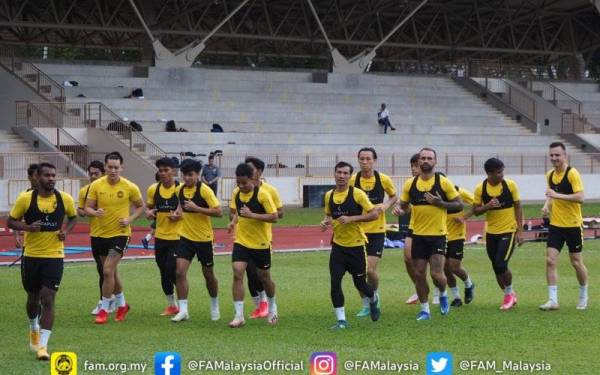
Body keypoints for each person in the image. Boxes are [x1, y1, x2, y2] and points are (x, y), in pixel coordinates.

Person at [7, 162, 77, 360]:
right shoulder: (25, 198)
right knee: (33, 298)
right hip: (31, 256)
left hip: (54, 256)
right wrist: (27, 228)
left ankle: (43, 347)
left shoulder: (65, 199)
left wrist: (66, 231)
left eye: (54, 175)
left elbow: (73, 218)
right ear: (37, 178)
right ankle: (33, 326)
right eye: (47, 175)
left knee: (48, 298)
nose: (51, 178)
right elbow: (10, 221)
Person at [397, 148, 462, 320]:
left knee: (436, 275)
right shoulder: (410, 184)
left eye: (429, 158)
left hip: (438, 235)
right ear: (418, 162)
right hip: (418, 235)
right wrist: (399, 209)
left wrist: (441, 203)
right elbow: (403, 205)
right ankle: (425, 309)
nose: (426, 161)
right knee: (419, 274)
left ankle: (442, 294)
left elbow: (459, 205)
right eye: (423, 158)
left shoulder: (443, 182)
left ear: (435, 161)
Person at [84, 151, 144, 324]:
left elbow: (140, 207)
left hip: (121, 234)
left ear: (121, 168)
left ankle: (103, 309)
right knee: (112, 272)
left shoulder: (129, 186)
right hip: (100, 234)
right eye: (110, 167)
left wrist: (130, 219)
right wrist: (95, 212)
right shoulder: (96, 185)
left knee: (108, 271)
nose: (113, 170)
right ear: (105, 167)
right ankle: (122, 305)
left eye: (116, 167)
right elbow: (87, 208)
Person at [321, 161, 382, 330]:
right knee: (335, 283)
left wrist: (352, 219)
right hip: (338, 247)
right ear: (334, 174)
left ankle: (373, 299)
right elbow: (328, 215)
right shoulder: (329, 195)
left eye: (345, 173)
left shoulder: (358, 194)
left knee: (360, 284)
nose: (341, 176)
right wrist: (325, 222)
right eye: (339, 172)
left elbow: (374, 214)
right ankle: (341, 321)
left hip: (356, 246)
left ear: (350, 176)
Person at [230, 156, 284, 320]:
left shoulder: (264, 194)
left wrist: (252, 215)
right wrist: (233, 222)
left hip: (261, 243)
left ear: (254, 177)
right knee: (238, 273)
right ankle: (239, 316)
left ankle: (272, 306)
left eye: (244, 183)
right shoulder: (236, 193)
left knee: (264, 277)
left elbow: (275, 217)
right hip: (242, 241)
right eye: (238, 183)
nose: (241, 186)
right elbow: (238, 211)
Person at [171, 159, 223, 322]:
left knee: (208, 274)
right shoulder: (179, 189)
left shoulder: (205, 191)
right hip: (185, 237)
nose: (186, 178)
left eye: (190, 175)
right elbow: (181, 208)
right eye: (184, 175)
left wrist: (197, 208)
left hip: (204, 239)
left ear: (198, 175)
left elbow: (219, 212)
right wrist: (177, 215)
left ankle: (214, 304)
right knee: (179, 272)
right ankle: (183, 310)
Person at [540, 142, 588, 311]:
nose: (554, 158)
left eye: (557, 155)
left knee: (576, 262)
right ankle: (553, 300)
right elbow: (551, 194)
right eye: (552, 155)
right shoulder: (550, 175)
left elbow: (580, 197)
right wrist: (547, 205)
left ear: (564, 155)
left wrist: (556, 195)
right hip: (556, 225)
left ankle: (583, 294)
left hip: (573, 225)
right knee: (550, 260)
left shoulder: (572, 173)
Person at [349, 148, 397, 317]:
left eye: (368, 159)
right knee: (359, 272)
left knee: (370, 270)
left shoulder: (383, 179)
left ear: (374, 161)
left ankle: (374, 296)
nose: (365, 162)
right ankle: (366, 305)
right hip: (357, 231)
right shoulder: (352, 180)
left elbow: (393, 196)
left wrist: (385, 205)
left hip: (376, 231)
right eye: (362, 159)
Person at [473, 157, 523, 311]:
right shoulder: (480, 188)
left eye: (502, 171)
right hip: (491, 233)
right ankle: (510, 294)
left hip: (508, 230)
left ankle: (508, 295)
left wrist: (519, 231)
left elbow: (518, 208)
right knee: (496, 267)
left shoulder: (510, 185)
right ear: (490, 173)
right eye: (499, 172)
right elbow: (475, 211)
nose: (502, 175)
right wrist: (487, 206)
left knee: (501, 264)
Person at [146, 158, 182, 316]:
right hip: (160, 236)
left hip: (178, 236)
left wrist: (179, 216)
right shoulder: (153, 189)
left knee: (171, 270)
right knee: (163, 271)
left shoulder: (181, 189)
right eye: (160, 170)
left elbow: (189, 211)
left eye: (166, 170)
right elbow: (149, 209)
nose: (163, 173)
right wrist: (149, 213)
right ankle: (171, 305)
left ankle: (183, 304)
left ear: (173, 171)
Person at [77, 160, 113, 315]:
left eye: (96, 173)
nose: (92, 176)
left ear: (102, 173)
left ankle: (104, 302)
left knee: (107, 270)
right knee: (102, 269)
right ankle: (113, 300)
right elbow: (79, 210)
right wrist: (88, 212)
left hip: (113, 234)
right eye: (90, 173)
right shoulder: (85, 190)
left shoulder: (110, 188)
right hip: (96, 234)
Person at [393, 154, 420, 305]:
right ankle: (419, 288)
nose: (413, 169)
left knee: (434, 263)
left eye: (415, 166)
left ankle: (438, 292)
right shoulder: (409, 184)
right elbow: (407, 207)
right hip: (414, 227)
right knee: (408, 259)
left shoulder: (436, 182)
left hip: (435, 228)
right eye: (412, 167)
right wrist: (401, 211)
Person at [444, 183, 475, 307]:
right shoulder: (434, 196)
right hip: (441, 235)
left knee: (454, 266)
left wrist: (464, 217)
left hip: (457, 235)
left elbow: (477, 204)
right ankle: (456, 298)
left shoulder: (459, 192)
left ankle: (469, 285)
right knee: (445, 269)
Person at [14, 164, 39, 249]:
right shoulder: (23, 196)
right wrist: (17, 236)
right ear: (29, 177)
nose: (40, 178)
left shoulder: (54, 195)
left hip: (51, 248)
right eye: (36, 175)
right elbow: (16, 219)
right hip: (30, 245)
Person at [141, 172, 160, 250]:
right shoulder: (154, 188)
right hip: (158, 212)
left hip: (157, 212)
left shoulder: (153, 188)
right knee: (156, 229)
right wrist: (150, 211)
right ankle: (146, 239)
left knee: (154, 229)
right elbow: (148, 205)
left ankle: (146, 239)